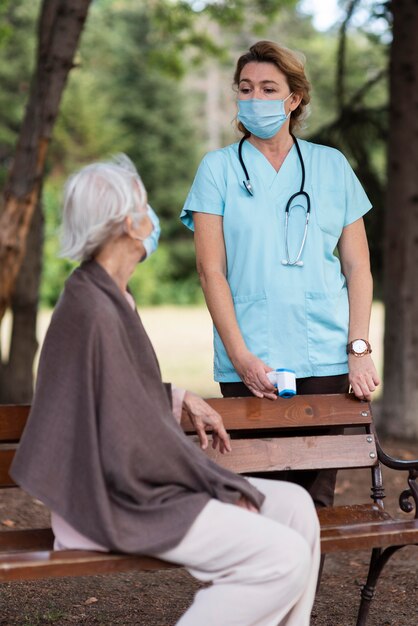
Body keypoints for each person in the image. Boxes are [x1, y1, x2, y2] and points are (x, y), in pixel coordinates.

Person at [11, 155, 320, 626]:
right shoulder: (90, 308)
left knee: (296, 509)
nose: (150, 216)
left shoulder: (110, 295)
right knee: (281, 555)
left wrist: (179, 397)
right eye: (142, 205)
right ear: (124, 225)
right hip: (110, 500)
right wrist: (214, 483)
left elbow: (119, 392)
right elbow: (125, 430)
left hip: (134, 485)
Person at [180, 40, 380, 509]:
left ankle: (301, 586)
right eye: (246, 88)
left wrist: (359, 347)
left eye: (269, 88)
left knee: (316, 501)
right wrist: (241, 357)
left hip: (326, 357)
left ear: (294, 99)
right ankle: (262, 581)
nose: (255, 98)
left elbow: (359, 268)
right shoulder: (218, 169)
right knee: (254, 495)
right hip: (250, 358)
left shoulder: (331, 166)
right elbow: (212, 272)